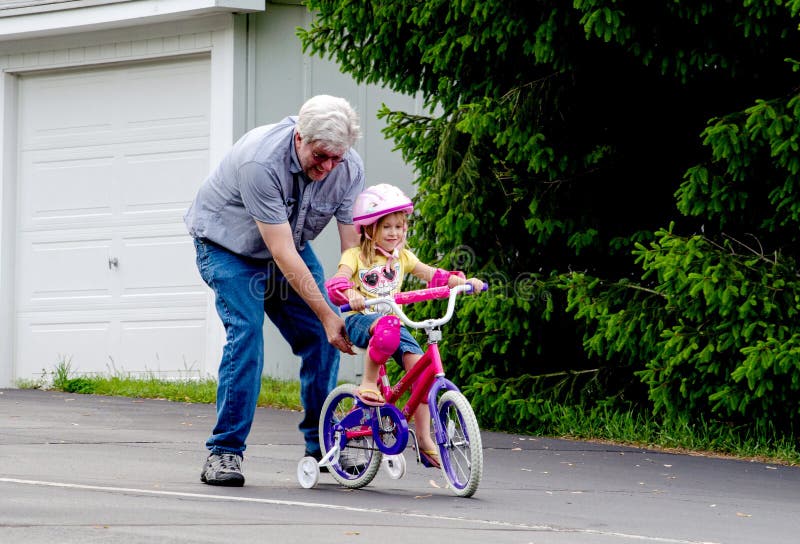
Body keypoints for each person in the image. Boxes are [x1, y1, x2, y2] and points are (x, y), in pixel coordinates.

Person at [184, 94, 363, 487]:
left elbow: (352, 246)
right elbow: (280, 252)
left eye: (337, 157)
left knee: (321, 335)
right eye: (321, 156)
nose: (329, 166)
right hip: (227, 248)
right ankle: (224, 452)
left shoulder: (347, 167)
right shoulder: (260, 161)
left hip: (288, 248)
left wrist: (352, 294)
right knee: (247, 333)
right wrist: (329, 313)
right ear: (300, 137)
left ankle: (324, 448)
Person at [324, 184, 483, 468]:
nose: (395, 232)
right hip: (363, 320)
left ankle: (424, 440)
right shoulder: (355, 256)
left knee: (422, 374)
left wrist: (463, 283)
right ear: (370, 229)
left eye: (399, 226)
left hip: (394, 322)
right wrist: (350, 293)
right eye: (387, 227)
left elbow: (433, 275)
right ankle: (369, 383)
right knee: (386, 328)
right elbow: (339, 280)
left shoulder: (403, 258)